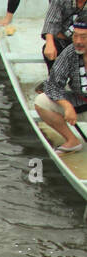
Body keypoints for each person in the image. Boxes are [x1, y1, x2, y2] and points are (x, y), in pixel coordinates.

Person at [34, 17, 87, 154]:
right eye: (75, 36)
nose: (78, 42)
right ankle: (72, 141)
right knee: (42, 101)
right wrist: (66, 105)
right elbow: (53, 84)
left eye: (84, 37)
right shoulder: (70, 52)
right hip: (81, 102)